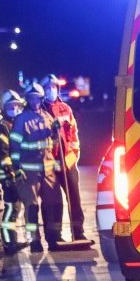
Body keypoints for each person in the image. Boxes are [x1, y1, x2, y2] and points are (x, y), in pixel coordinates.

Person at [10, 82, 64, 252]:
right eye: (31, 98)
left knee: (53, 204)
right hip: (29, 172)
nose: (34, 101)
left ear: (41, 99)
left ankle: (54, 237)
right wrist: (17, 169)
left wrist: (55, 131)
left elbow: (52, 144)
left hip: (48, 170)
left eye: (37, 98)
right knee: (32, 206)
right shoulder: (21, 120)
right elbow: (14, 147)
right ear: (27, 100)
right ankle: (35, 240)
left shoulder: (48, 117)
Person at [40, 73, 92, 244]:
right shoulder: (38, 111)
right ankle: (54, 236)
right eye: (48, 88)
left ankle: (78, 232)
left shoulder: (66, 109)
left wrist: (74, 155)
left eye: (54, 87)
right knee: (52, 202)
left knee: (74, 198)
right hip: (49, 164)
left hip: (67, 161)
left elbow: (73, 134)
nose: (51, 91)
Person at [0, 89, 28, 254]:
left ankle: (11, 241)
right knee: (12, 207)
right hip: (8, 174)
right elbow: (2, 152)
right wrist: (9, 172)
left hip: (17, 173)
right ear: (4, 107)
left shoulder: (16, 124)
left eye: (16, 105)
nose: (14, 108)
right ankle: (8, 244)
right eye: (11, 106)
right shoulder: (1, 126)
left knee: (16, 207)